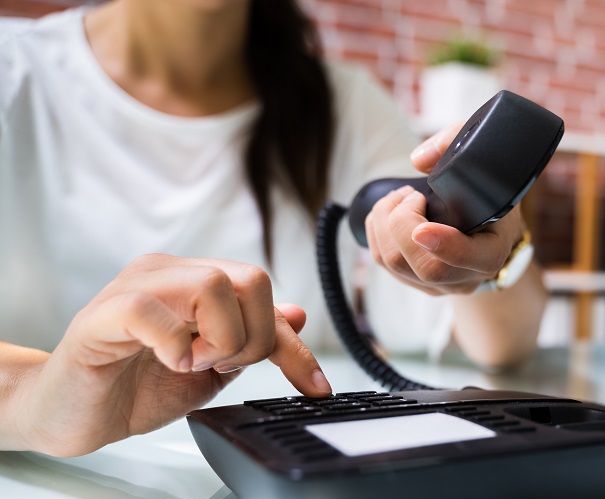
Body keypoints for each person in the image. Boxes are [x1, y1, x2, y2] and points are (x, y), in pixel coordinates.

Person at [0, 0, 547, 458]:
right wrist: (30, 399)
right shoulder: (14, 70)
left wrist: (488, 233)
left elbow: (504, 342)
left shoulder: (345, 106)